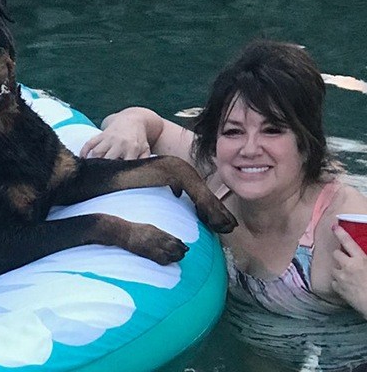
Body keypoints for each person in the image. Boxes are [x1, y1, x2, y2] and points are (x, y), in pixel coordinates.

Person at [80, 40, 367, 371]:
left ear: (306, 143)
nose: (249, 149)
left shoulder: (343, 226)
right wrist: (128, 125)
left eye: (272, 130)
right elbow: (142, 121)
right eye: (233, 131)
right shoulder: (216, 181)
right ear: (214, 144)